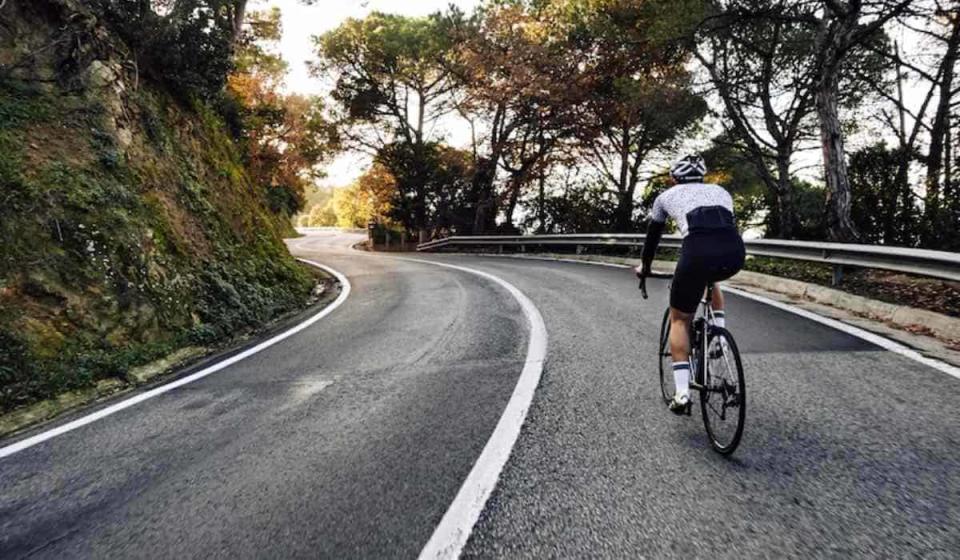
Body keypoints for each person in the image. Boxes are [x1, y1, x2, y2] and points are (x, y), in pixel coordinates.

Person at [636, 154, 745, 414]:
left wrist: (645, 269)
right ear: (703, 176)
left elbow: (652, 240)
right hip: (734, 253)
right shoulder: (721, 191)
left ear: (674, 178)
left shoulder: (664, 198)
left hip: (696, 252)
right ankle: (718, 335)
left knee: (679, 320)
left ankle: (682, 393)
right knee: (712, 278)